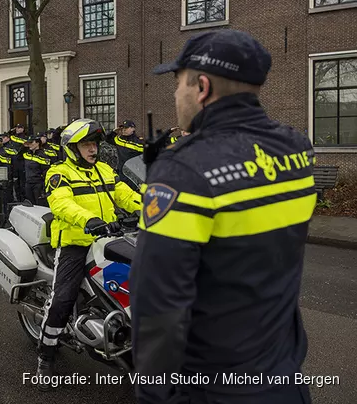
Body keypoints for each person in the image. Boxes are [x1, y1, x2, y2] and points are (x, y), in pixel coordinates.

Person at [130, 30, 317, 404]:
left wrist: (153, 395)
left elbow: (160, 306)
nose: (174, 94)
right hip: (284, 377)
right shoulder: (295, 149)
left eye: (177, 83)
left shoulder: (184, 169)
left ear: (201, 87)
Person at [37, 118, 142, 389]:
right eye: (85, 144)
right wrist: (88, 220)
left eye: (94, 144)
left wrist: (154, 207)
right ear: (72, 148)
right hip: (75, 242)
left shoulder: (106, 169)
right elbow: (61, 204)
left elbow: (126, 195)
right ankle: (45, 357)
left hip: (108, 237)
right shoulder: (58, 172)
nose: (92, 149)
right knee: (61, 299)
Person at [23, 136, 51, 206]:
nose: (30, 145)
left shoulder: (43, 155)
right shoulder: (27, 154)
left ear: (37, 143)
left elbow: (46, 171)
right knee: (29, 204)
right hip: (28, 182)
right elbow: (17, 157)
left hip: (38, 184)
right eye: (28, 143)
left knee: (39, 205)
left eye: (31, 143)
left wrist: (44, 186)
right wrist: (24, 146)